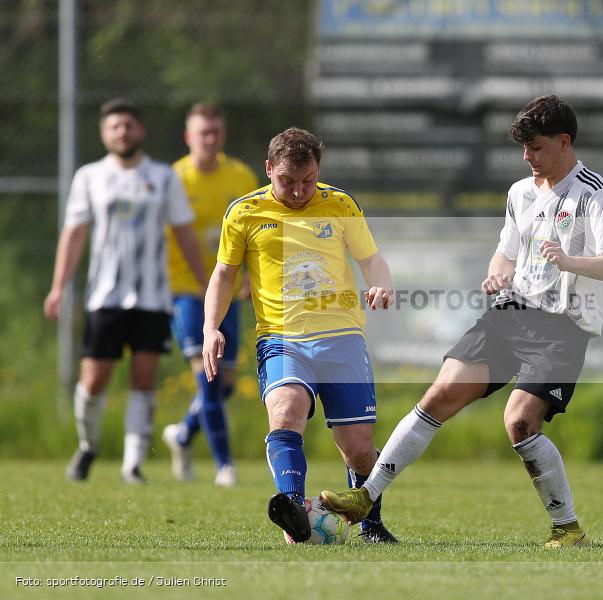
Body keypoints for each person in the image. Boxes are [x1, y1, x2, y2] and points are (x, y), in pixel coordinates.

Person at [321, 95, 603, 548]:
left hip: (562, 328)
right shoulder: (520, 192)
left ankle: (567, 528)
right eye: (523, 148)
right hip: (510, 315)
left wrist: (571, 261)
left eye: (536, 147)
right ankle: (366, 497)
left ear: (564, 142)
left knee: (519, 423)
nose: (527, 156)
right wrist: (498, 272)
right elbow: (506, 252)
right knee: (438, 396)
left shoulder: (594, 193)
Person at [201, 127, 399, 544]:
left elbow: (372, 258)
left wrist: (380, 283)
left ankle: (371, 523)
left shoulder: (340, 204)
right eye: (287, 182)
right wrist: (210, 328)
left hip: (343, 337)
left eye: (307, 181)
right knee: (286, 412)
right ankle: (293, 509)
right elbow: (223, 274)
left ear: (318, 171)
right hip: (282, 338)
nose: (297, 192)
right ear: (269, 168)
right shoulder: (244, 212)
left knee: (359, 449)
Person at [44, 98, 207, 484]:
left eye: (128, 126)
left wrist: (205, 283)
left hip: (153, 297)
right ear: (104, 133)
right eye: (114, 127)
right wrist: (58, 287)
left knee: (144, 377)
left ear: (141, 131)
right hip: (105, 296)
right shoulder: (89, 177)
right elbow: (74, 234)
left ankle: (132, 463)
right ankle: (88, 446)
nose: (122, 133)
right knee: (94, 380)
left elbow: (184, 233)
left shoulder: (164, 177)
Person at [161, 103, 258, 487]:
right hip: (186, 290)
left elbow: (257, 230)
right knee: (210, 376)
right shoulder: (175, 179)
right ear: (189, 137)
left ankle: (183, 434)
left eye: (215, 131)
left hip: (228, 293)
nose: (210, 138)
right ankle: (225, 466)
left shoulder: (240, 175)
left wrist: (251, 274)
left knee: (228, 381)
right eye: (203, 132)